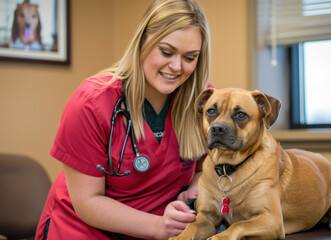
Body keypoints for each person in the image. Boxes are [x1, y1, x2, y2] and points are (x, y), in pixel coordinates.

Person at [35, 0, 211, 239]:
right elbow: (88, 202)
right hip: (82, 230)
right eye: (166, 52)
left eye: (190, 58)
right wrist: (159, 226)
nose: (177, 66)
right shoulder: (91, 103)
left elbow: (206, 168)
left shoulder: (202, 102)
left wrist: (193, 191)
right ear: (142, 42)